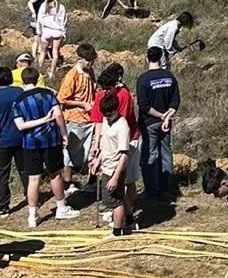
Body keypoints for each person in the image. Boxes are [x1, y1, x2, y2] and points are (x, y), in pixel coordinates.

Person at [13, 66, 79, 229]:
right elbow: (58, 114)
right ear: (37, 79)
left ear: (23, 80)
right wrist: (63, 134)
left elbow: (20, 126)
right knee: (55, 174)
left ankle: (32, 215)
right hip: (50, 140)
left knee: (33, 178)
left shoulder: (18, 101)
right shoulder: (48, 95)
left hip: (30, 143)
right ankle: (61, 208)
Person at [90, 63, 140, 227]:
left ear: (115, 85)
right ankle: (119, 212)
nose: (104, 91)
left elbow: (120, 124)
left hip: (128, 139)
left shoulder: (124, 96)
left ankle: (126, 215)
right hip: (108, 141)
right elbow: (99, 120)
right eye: (102, 88)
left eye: (107, 88)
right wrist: (97, 144)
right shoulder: (101, 95)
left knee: (127, 180)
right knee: (112, 182)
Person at [136, 46, 180, 201]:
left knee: (150, 155)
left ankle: (152, 190)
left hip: (149, 123)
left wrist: (160, 116)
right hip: (166, 123)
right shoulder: (170, 77)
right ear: (161, 57)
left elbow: (144, 105)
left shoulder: (143, 79)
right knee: (166, 153)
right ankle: (165, 187)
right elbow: (175, 101)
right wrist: (167, 116)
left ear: (146, 58)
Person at [57, 42, 97, 199]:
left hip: (89, 118)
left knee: (91, 150)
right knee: (71, 153)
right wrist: (82, 103)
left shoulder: (89, 71)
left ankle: (91, 182)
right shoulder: (72, 75)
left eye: (92, 60)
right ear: (80, 59)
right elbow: (62, 98)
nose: (91, 63)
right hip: (75, 118)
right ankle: (67, 184)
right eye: (88, 60)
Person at [90, 91, 132, 235]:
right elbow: (106, 145)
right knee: (118, 197)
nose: (107, 117)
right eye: (104, 114)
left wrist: (115, 177)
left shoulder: (122, 127)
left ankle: (117, 231)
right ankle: (129, 218)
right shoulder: (106, 121)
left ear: (116, 109)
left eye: (109, 114)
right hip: (106, 165)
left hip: (115, 169)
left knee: (115, 201)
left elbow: (124, 155)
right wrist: (98, 160)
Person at [0, 67, 26, 216]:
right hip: (21, 136)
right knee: (25, 169)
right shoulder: (19, 92)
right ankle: (31, 197)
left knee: (3, 173)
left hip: (3, 140)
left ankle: (3, 206)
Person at [34, 0, 68, 75]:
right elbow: (63, 21)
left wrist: (39, 31)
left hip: (46, 30)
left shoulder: (44, 5)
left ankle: (39, 71)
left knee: (43, 52)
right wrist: (63, 33)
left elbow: (39, 19)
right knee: (55, 53)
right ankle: (52, 73)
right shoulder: (61, 7)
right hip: (57, 31)